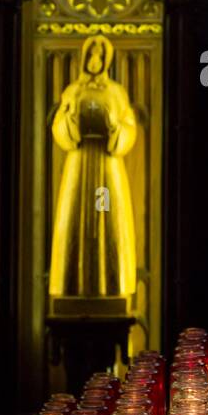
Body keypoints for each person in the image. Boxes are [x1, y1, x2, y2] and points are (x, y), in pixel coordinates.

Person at [49, 36, 138, 304]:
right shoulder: (73, 90)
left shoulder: (116, 92)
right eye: (92, 55)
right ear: (86, 58)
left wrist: (115, 128)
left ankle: (109, 284)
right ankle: (74, 285)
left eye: (100, 55)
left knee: (104, 213)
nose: (96, 60)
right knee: (77, 215)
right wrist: (70, 121)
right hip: (79, 163)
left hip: (106, 166)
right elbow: (59, 124)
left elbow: (129, 126)